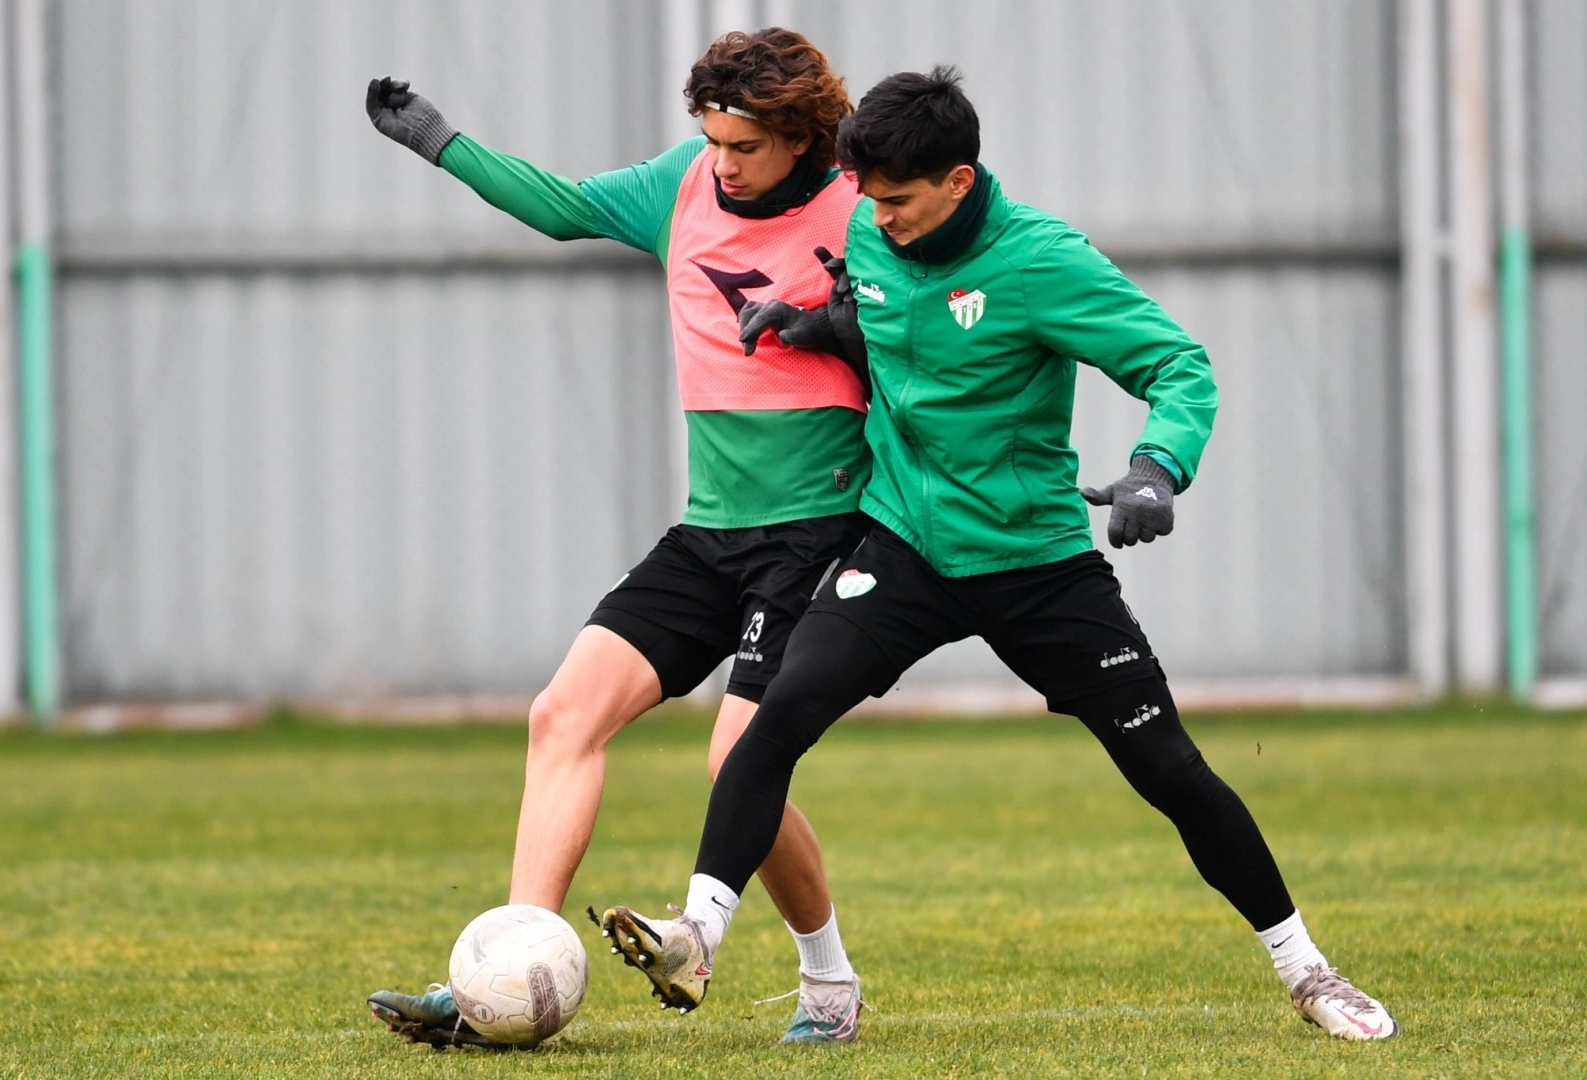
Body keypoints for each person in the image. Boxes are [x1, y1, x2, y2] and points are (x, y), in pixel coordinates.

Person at [599, 67, 1398, 1042]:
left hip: (1034, 564)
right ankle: (699, 933)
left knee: (1167, 768)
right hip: (903, 549)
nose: (876, 220)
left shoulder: (1040, 262)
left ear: (958, 182)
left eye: (896, 200)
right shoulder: (872, 233)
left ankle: (1308, 971)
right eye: (868, 199)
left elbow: (1176, 364)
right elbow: (889, 335)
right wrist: (820, 329)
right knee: (774, 719)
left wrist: (1156, 468)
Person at [361, 28, 871, 1046]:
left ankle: (829, 987)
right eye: (712, 139)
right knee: (562, 715)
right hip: (709, 532)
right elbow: (564, 208)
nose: (722, 163)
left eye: (744, 146)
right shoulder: (683, 183)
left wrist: (839, 331)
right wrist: (441, 142)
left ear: (802, 137)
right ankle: (508, 975)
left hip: (818, 532)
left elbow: (928, 341)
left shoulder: (862, 207)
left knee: (740, 759)